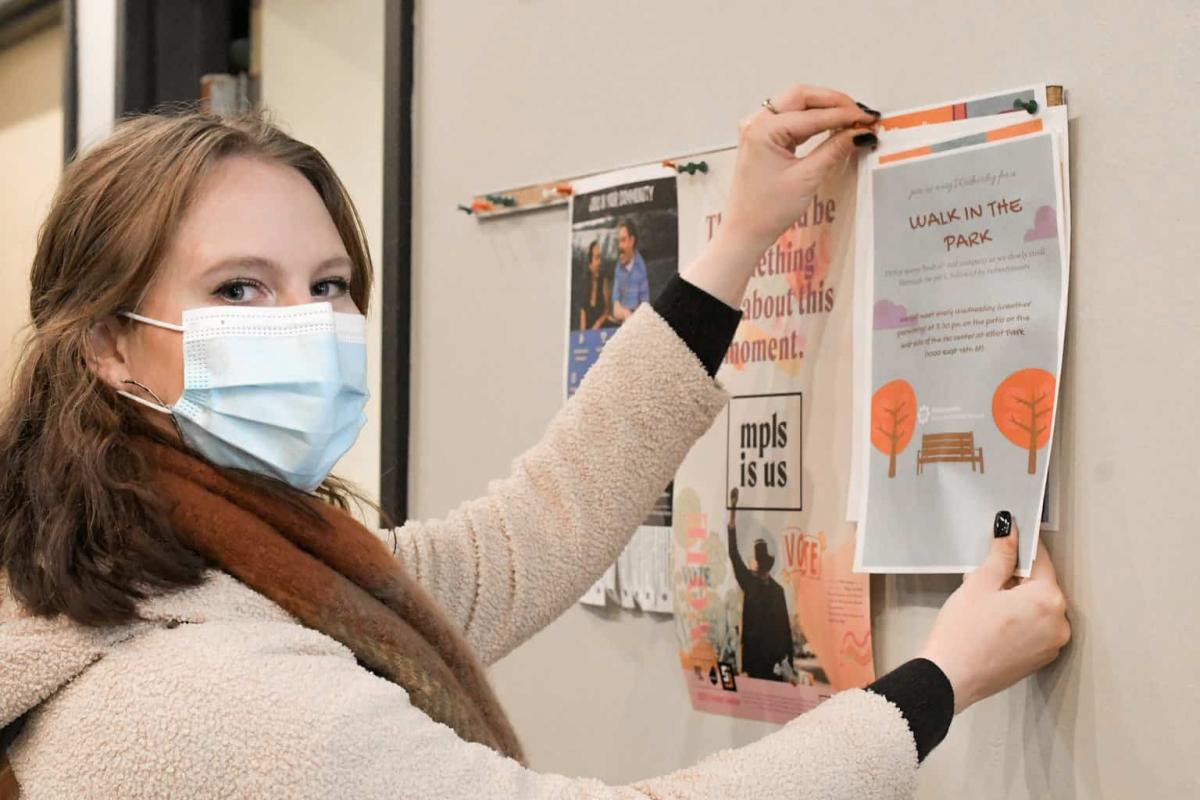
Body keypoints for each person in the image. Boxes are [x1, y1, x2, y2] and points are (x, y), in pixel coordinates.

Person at [0, 85, 1070, 799]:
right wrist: (941, 678)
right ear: (107, 346)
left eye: (328, 286)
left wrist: (739, 240)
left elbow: (527, 533)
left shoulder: (189, 573)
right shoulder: (214, 693)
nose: (309, 324)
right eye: (240, 287)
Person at [727, 487, 794, 681]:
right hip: (766, 662)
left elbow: (733, 553)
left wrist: (732, 511)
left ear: (757, 564)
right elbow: (785, 631)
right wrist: (787, 659)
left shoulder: (753, 583)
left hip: (764, 662)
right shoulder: (767, 587)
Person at [610, 218, 649, 322]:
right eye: (619, 241)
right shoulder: (618, 267)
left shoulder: (641, 269)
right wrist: (626, 314)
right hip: (621, 323)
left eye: (623, 240)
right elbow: (616, 309)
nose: (619, 246)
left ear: (632, 241)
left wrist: (631, 318)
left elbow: (644, 308)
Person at [577, 239, 612, 330]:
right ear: (589, 263)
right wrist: (583, 335)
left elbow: (607, 310)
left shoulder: (604, 280)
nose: (599, 262)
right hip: (589, 328)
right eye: (596, 258)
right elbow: (583, 312)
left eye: (600, 257)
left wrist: (598, 323)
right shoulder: (584, 283)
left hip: (602, 326)